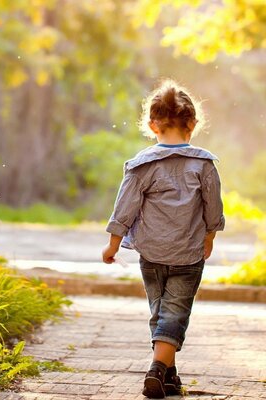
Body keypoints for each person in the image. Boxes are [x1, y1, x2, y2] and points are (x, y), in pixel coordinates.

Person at [102, 79, 225, 399]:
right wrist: (210, 235)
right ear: (193, 124)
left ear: (153, 125)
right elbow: (213, 207)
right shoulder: (204, 164)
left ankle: (169, 375)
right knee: (174, 312)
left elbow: (124, 208)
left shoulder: (142, 165)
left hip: (152, 253)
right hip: (188, 253)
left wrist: (113, 244)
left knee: (161, 311)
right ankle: (157, 370)